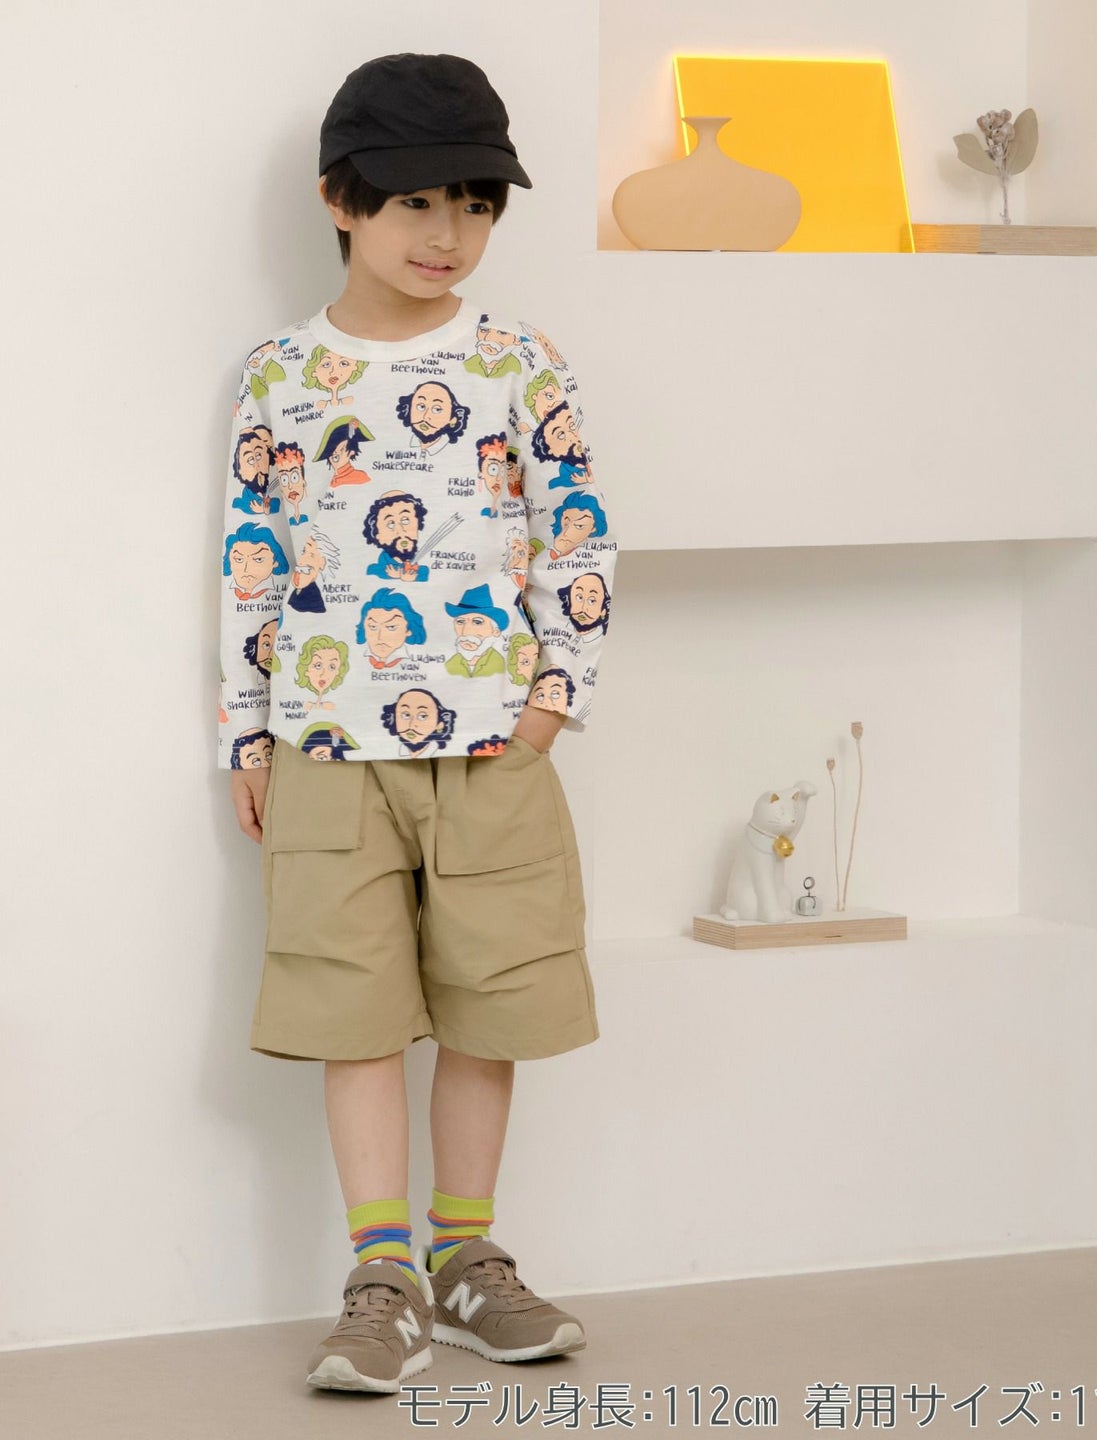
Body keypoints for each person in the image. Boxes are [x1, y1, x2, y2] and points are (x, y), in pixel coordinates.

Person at [216, 52, 617, 1395]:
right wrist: (248, 735)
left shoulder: (515, 361)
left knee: (491, 1005)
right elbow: (253, 560)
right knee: (355, 1014)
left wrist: (553, 703)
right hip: (328, 750)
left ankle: (466, 1260)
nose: (448, 234)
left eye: (476, 205)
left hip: (495, 745)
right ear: (340, 200)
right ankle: (379, 1278)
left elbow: (576, 532)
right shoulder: (282, 375)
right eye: (416, 202)